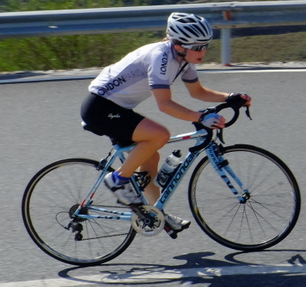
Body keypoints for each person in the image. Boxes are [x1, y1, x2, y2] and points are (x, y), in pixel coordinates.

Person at [80, 12, 251, 236]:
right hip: (100, 108)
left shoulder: (184, 59)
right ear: (179, 45)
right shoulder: (160, 57)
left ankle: (154, 212)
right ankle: (117, 180)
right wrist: (199, 117)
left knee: (150, 157)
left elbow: (198, 92)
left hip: (118, 109)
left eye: (205, 46)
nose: (203, 51)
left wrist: (229, 97)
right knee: (159, 135)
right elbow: (164, 104)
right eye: (198, 47)